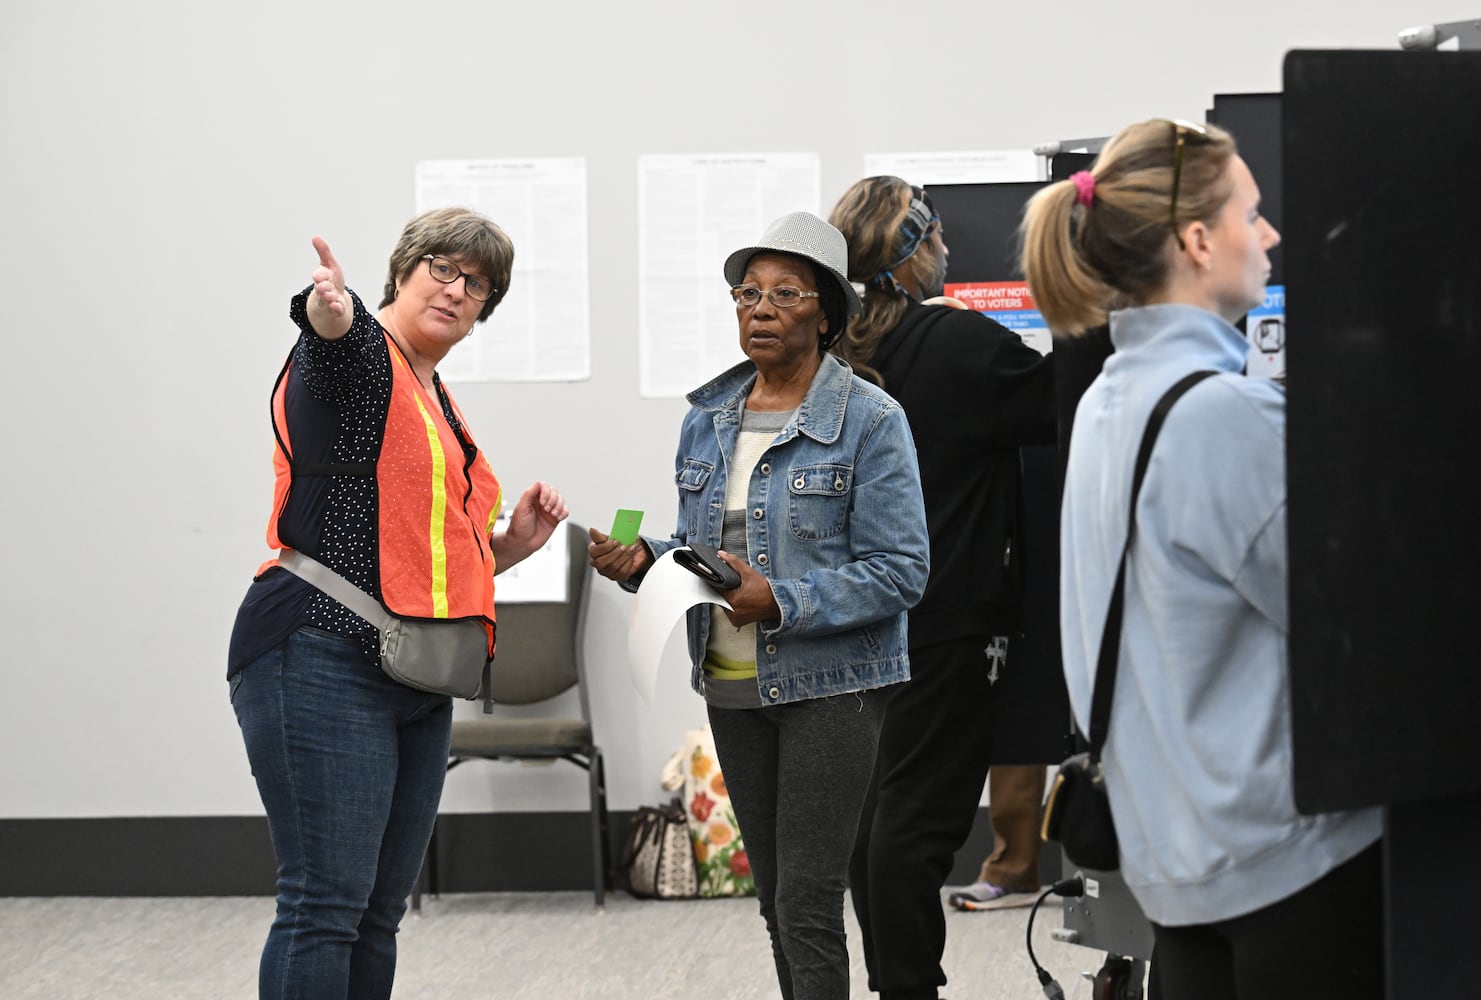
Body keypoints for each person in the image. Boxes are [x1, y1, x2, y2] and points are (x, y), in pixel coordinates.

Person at [1021, 119, 1383, 999]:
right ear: (1195, 240)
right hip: (1289, 871)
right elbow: (1358, 627)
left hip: (1177, 876)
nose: (1269, 237)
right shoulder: (1221, 417)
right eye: (1250, 216)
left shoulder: (1114, 400)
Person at [228, 206, 569, 1000]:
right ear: (404, 272)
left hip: (415, 672)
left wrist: (511, 546)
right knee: (325, 906)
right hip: (318, 651)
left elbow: (422, 549)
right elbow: (330, 342)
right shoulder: (362, 355)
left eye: (477, 283)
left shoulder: (436, 397)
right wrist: (326, 311)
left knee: (378, 913)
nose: (456, 290)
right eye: (441, 270)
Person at [589, 211, 930, 1000]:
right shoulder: (706, 420)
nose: (761, 308)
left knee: (806, 902)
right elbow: (700, 547)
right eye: (747, 292)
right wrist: (643, 561)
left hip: (830, 688)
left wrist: (778, 599)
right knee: (776, 904)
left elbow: (901, 571)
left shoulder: (870, 421)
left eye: (785, 293)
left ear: (825, 312)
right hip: (730, 685)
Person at [826, 178, 1057, 999]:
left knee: (877, 819)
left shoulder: (835, 353)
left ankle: (897, 981)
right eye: (941, 238)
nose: (952, 252)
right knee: (915, 827)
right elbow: (1065, 402)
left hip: (855, 621)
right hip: (947, 618)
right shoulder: (956, 345)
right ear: (915, 249)